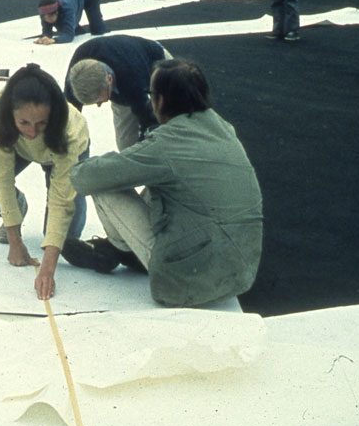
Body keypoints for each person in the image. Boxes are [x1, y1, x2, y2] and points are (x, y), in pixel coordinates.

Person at [66, 58, 264, 307]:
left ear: (160, 101)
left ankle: (123, 250)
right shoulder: (223, 128)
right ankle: (124, 250)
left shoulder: (166, 144)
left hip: (183, 282)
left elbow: (87, 178)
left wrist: (69, 165)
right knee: (167, 182)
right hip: (241, 271)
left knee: (104, 185)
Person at [0, 64, 90, 300]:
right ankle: (18, 208)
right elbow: (1, 175)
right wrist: (14, 238)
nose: (32, 132)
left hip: (60, 150)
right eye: (23, 122)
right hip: (18, 148)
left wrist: (47, 269)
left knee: (66, 240)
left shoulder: (71, 130)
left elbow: (61, 200)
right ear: (10, 113)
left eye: (41, 123)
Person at [65, 35, 171, 150]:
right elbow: (69, 115)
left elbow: (148, 120)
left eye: (99, 100)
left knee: (167, 123)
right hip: (123, 71)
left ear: (109, 79)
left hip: (158, 64)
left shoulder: (132, 80)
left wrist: (140, 152)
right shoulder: (76, 74)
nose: (99, 105)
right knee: (125, 142)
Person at [35, 0, 107, 45]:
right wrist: (45, 37)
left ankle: (98, 27)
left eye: (50, 17)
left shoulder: (67, 8)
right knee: (65, 27)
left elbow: (68, 36)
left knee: (98, 30)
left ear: (56, 12)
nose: (47, 20)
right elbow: (46, 32)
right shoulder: (44, 12)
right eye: (45, 18)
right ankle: (79, 30)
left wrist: (54, 40)